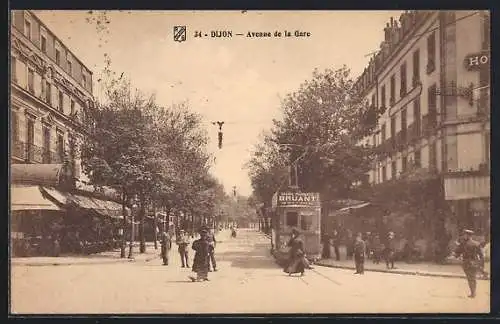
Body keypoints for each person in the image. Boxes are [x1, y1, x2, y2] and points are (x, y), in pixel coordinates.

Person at [455, 229, 484, 298]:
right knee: (472, 278)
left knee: (470, 278)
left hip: (466, 263)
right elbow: (481, 255)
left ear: (468, 236)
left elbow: (457, 253)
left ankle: (473, 293)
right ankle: (473, 292)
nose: (464, 236)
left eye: (465, 235)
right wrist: (481, 265)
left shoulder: (463, 244)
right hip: (474, 263)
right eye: (464, 235)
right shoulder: (477, 244)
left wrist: (456, 255)